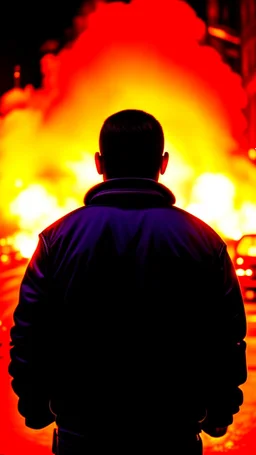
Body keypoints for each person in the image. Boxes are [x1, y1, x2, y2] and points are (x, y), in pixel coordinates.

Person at [8, 109, 247, 455]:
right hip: (172, 435)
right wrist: (219, 413)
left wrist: (34, 405)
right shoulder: (204, 242)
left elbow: (30, 333)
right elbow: (225, 338)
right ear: (163, 163)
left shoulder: (56, 239)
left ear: (98, 162)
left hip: (82, 435)